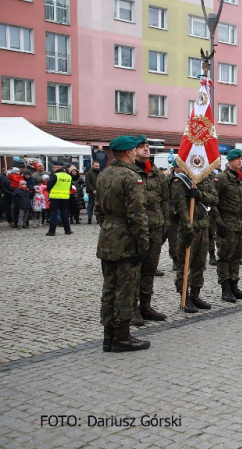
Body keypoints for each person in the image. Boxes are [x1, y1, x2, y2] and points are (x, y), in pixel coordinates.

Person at [94, 135, 150, 353]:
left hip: (107, 237)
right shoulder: (131, 177)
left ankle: (109, 336)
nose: (138, 151)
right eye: (135, 149)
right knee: (126, 288)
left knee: (109, 287)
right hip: (126, 239)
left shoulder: (104, 175)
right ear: (128, 153)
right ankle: (122, 337)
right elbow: (137, 215)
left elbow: (99, 210)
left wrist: (109, 228)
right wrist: (143, 244)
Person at [131, 136, 169, 325]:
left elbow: (165, 200)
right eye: (141, 147)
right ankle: (133, 308)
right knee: (134, 270)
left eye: (147, 146)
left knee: (150, 269)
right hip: (136, 230)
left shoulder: (156, 173)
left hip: (155, 228)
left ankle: (146, 306)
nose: (146, 149)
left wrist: (165, 226)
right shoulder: (129, 171)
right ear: (132, 151)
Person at [172, 160, 218, 313]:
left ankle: (195, 294)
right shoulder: (181, 179)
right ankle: (184, 297)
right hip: (188, 228)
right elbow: (180, 206)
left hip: (203, 226)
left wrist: (200, 195)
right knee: (185, 264)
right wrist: (187, 227)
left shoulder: (207, 178)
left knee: (199, 264)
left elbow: (214, 199)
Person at [215, 149, 242, 302]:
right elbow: (213, 203)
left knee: (237, 256)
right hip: (227, 223)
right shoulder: (221, 178)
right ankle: (225, 288)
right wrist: (219, 223)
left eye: (241, 158)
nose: (240, 161)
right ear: (229, 161)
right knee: (225, 256)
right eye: (236, 158)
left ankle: (234, 285)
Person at [45, 161, 72, 236]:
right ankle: (67, 230)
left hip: (55, 197)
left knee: (53, 214)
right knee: (65, 214)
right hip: (65, 197)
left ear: (59, 167)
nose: (53, 168)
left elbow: (49, 187)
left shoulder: (55, 175)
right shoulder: (68, 176)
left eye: (54, 167)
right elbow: (70, 187)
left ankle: (52, 231)